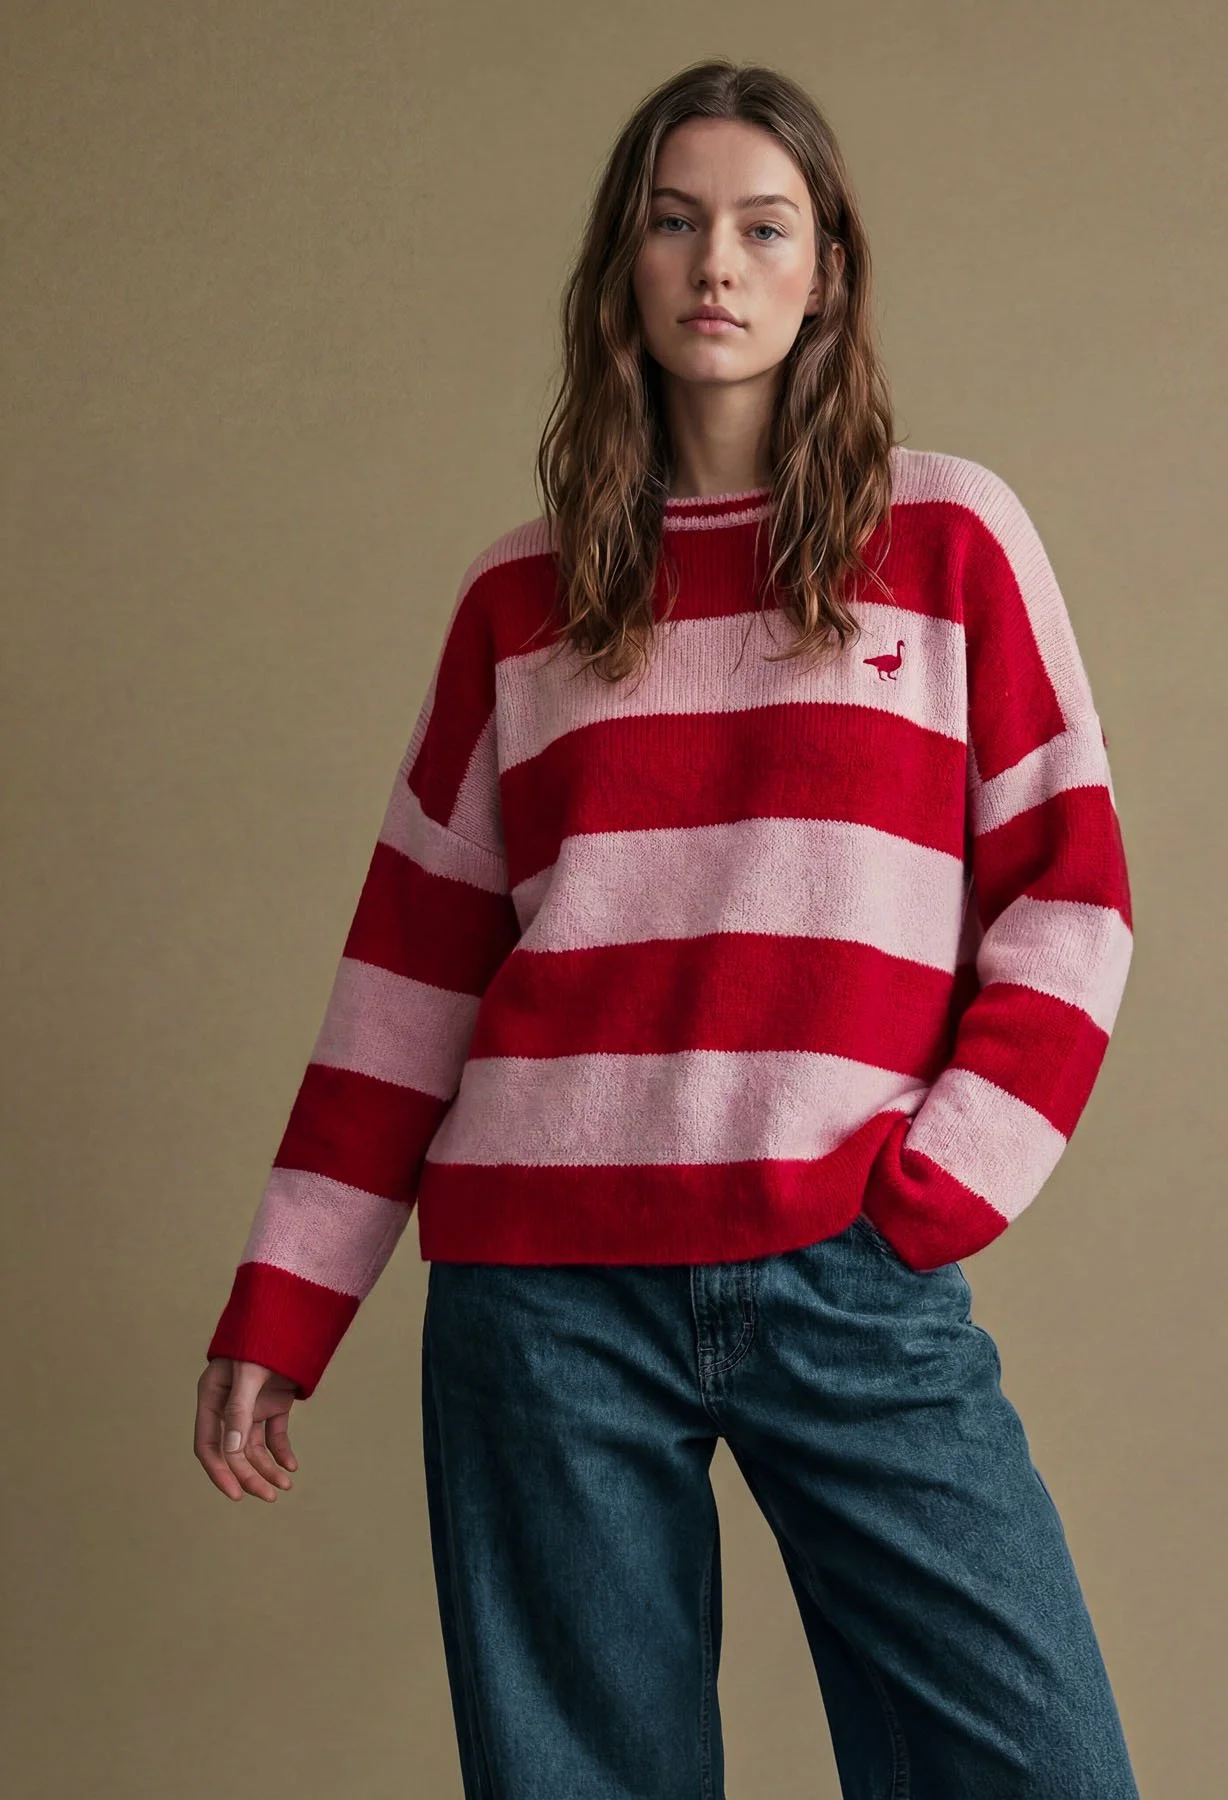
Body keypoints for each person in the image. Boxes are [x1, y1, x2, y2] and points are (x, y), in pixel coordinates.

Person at [194, 57, 1141, 1799]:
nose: (717, 261)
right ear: (623, 267)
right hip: (541, 1303)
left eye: (762, 226)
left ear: (824, 271)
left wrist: (935, 1192)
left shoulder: (944, 540)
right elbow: (407, 976)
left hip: (845, 1262)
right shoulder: (518, 600)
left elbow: (1068, 891)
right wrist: (284, 1304)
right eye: (674, 219)